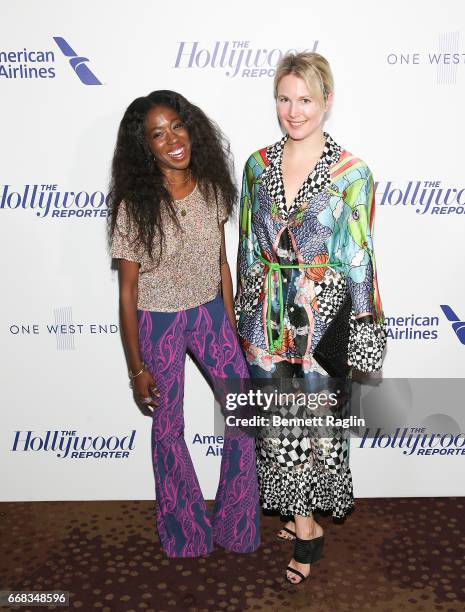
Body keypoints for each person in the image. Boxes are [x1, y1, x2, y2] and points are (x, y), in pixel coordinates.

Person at [235, 53, 386, 584]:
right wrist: (244, 317)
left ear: (326, 101)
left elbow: (361, 255)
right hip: (266, 322)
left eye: (305, 99)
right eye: (284, 98)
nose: (293, 111)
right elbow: (248, 245)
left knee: (318, 430)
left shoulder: (352, 173)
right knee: (277, 429)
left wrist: (365, 325)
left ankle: (307, 517)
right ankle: (305, 528)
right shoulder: (256, 164)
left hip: (322, 323)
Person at [109, 90, 260, 558]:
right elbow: (128, 293)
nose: (172, 139)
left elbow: (220, 262)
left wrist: (231, 326)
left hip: (211, 313)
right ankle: (186, 533)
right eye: (158, 133)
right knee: (169, 428)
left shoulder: (211, 185)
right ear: (145, 146)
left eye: (177, 125)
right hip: (159, 322)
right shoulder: (135, 205)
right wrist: (137, 370)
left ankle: (236, 525)